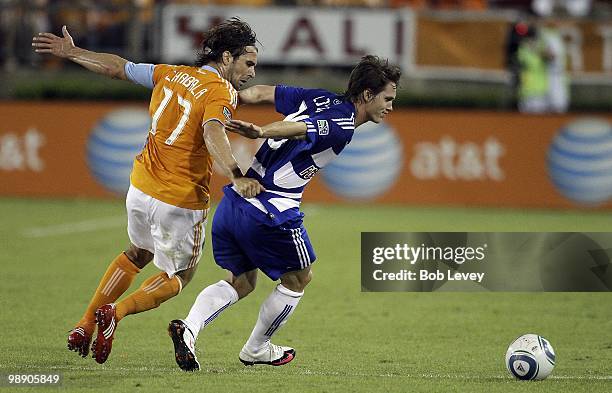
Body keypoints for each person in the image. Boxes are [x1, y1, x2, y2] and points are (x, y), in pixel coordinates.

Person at [32, 18, 264, 364]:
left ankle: (84, 324)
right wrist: (234, 173)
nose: (252, 73)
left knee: (137, 253)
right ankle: (116, 313)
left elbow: (118, 68)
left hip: (141, 186)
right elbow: (213, 129)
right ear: (227, 57)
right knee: (180, 276)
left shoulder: (170, 72)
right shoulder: (222, 92)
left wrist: (73, 52)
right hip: (179, 197)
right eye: (249, 63)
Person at [167, 55, 401, 371]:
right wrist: (261, 132)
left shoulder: (321, 97)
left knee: (242, 281)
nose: (390, 107)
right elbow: (300, 128)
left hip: (236, 201)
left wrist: (224, 96)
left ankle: (189, 329)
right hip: (270, 210)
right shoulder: (342, 125)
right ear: (368, 95)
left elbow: (264, 92)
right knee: (300, 277)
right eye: (387, 98)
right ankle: (257, 348)